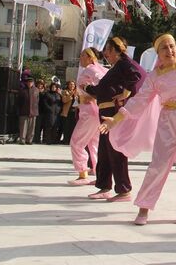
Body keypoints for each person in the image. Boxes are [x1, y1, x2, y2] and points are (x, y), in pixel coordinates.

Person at [100, 33, 176, 225]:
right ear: (158, 52)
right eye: (165, 47)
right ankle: (144, 207)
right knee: (158, 164)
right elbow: (138, 102)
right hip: (168, 118)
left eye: (172, 46)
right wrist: (114, 120)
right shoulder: (154, 76)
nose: (170, 50)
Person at [83, 36, 145, 202]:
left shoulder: (124, 63)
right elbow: (103, 89)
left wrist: (126, 92)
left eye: (108, 50)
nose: (105, 54)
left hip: (113, 112)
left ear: (117, 51)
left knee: (115, 150)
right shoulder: (115, 68)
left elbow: (138, 75)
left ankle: (124, 189)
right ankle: (104, 186)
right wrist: (88, 88)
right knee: (105, 151)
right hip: (105, 112)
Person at [68, 48, 108, 186]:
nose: (80, 58)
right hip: (94, 111)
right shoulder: (101, 68)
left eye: (83, 55)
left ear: (91, 57)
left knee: (76, 142)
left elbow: (102, 82)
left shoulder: (90, 69)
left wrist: (92, 95)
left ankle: (82, 173)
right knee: (94, 143)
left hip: (89, 112)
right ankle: (98, 173)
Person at [17, 76, 39, 145]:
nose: (30, 83)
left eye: (31, 82)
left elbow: (37, 100)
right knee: (23, 127)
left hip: (33, 111)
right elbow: (19, 101)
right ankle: (22, 140)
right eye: (28, 82)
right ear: (26, 83)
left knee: (31, 128)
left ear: (33, 83)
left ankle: (29, 140)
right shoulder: (22, 90)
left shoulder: (36, 90)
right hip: (24, 111)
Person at [60, 80, 79, 145]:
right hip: (67, 112)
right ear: (68, 85)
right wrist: (70, 95)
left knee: (73, 127)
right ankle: (66, 140)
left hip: (75, 112)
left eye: (73, 84)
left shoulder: (77, 92)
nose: (72, 86)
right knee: (66, 127)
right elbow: (64, 100)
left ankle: (72, 141)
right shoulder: (65, 92)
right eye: (70, 84)